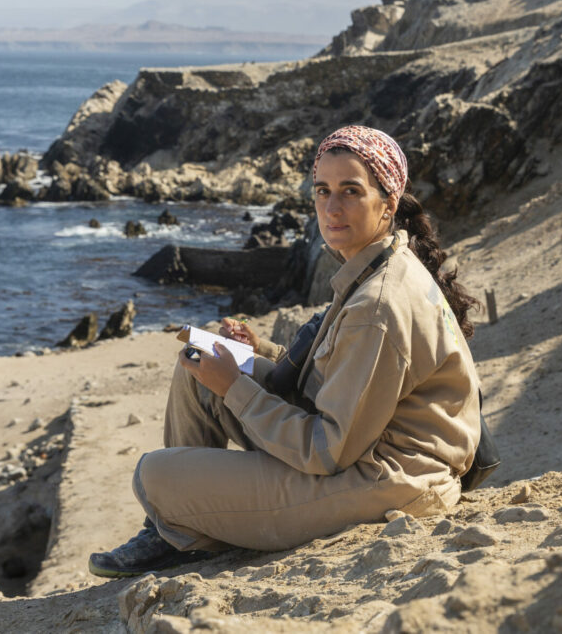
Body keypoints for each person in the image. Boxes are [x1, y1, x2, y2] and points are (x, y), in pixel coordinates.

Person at [89, 125, 482, 577]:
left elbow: (328, 451)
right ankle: (172, 530)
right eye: (323, 190)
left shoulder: (378, 304)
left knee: (154, 476)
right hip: (362, 453)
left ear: (388, 202)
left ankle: (182, 520)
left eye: (351, 191)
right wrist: (261, 351)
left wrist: (236, 388)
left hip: (387, 481)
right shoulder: (376, 263)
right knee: (198, 360)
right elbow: (337, 375)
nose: (332, 208)